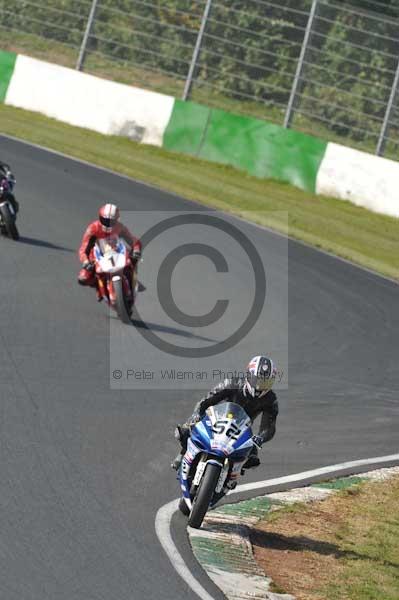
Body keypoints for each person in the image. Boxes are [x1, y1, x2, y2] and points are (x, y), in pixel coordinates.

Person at [171, 355, 279, 471]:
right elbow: (207, 400)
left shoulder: (270, 400)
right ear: (248, 375)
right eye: (257, 380)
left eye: (265, 383)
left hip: (242, 429)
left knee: (252, 456)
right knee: (189, 429)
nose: (259, 386)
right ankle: (183, 452)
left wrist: (260, 437)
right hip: (219, 418)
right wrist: (197, 415)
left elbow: (269, 426)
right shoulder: (232, 383)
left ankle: (232, 475)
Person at [78, 203, 142, 300]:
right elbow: (84, 247)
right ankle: (98, 288)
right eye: (105, 220)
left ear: (117, 220)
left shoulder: (120, 227)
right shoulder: (93, 228)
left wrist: (136, 250)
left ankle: (132, 282)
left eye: (111, 221)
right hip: (97, 254)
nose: (107, 223)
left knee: (132, 260)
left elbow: (133, 240)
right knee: (83, 278)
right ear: (100, 218)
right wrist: (86, 261)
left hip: (116, 251)